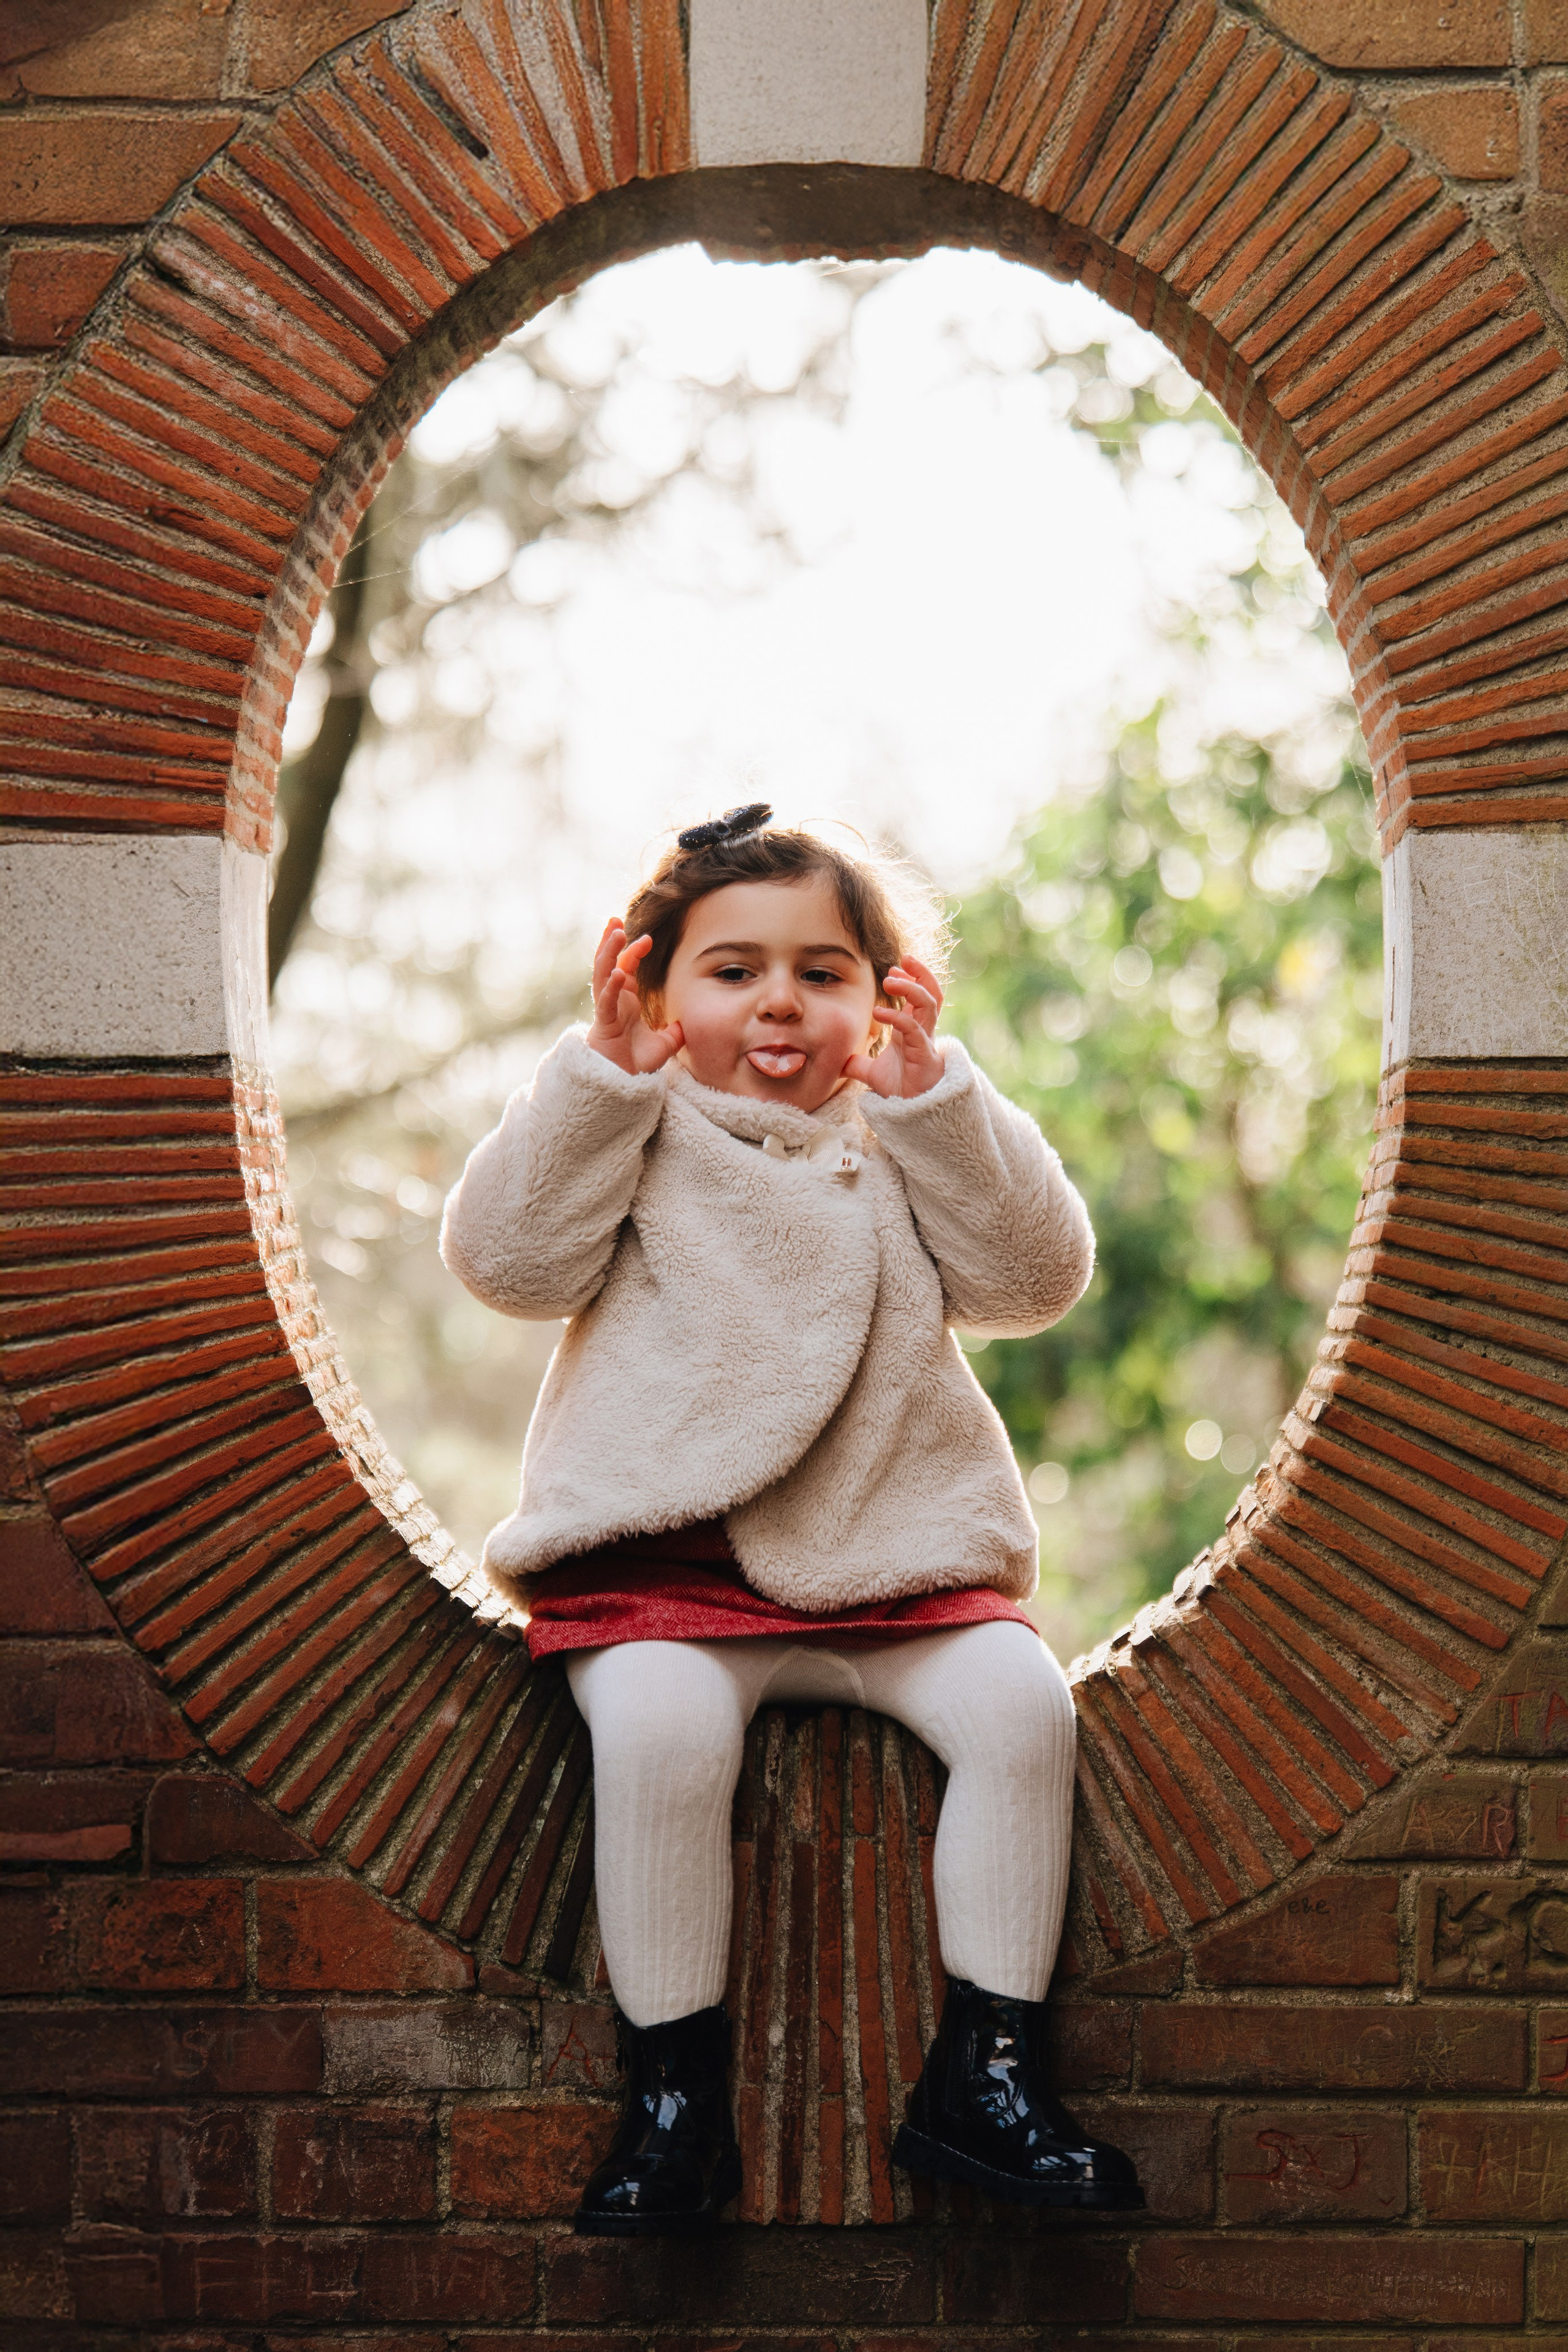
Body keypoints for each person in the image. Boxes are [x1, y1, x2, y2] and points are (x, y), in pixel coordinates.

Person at [440, 804, 1144, 2234]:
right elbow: (507, 1264)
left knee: (1022, 1713)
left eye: (822, 973)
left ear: (879, 1001)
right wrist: (595, 1083)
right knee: (660, 1736)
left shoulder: (899, 1134)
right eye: (730, 969)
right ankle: (675, 2106)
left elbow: (1030, 1281)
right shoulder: (630, 1125)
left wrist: (936, 1100)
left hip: (894, 1556)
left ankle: (986, 2076)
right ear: (651, 988)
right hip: (668, 1566)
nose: (777, 1001)